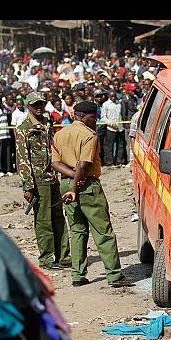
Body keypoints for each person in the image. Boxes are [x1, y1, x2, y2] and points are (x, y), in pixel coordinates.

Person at [51, 100, 131, 288]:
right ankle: (114, 275)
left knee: (77, 230)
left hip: (65, 183)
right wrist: (76, 185)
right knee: (102, 230)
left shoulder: (60, 134)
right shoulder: (89, 135)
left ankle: (78, 275)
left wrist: (70, 180)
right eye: (93, 117)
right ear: (83, 117)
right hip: (86, 186)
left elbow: (55, 163)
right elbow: (83, 164)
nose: (95, 121)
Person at [15, 91, 70, 271]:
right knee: (43, 221)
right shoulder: (24, 129)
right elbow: (23, 160)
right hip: (38, 180)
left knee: (58, 218)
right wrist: (28, 186)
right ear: (28, 107)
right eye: (35, 105)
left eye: (41, 104)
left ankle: (63, 256)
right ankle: (46, 259)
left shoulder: (47, 123)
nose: (39, 107)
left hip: (52, 176)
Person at [102, 90, 126, 166]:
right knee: (109, 145)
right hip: (110, 128)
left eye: (114, 96)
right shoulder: (106, 104)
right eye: (111, 96)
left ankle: (119, 161)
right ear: (109, 96)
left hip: (120, 127)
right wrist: (111, 124)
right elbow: (103, 117)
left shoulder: (119, 103)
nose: (113, 98)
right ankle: (109, 162)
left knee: (121, 145)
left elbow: (122, 114)